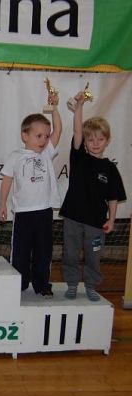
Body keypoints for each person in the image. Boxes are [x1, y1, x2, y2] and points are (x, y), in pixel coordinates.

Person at [60, 92, 126, 301]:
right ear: (85, 142)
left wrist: (111, 220)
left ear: (107, 141)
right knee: (70, 253)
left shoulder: (110, 169)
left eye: (100, 139)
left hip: (96, 223)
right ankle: (72, 284)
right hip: (73, 217)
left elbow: (113, 197)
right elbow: (77, 130)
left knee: (93, 256)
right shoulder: (79, 158)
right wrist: (79, 107)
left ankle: (90, 286)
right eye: (91, 139)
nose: (95, 143)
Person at [0, 92, 62, 298]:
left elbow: (58, 130)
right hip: (23, 213)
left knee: (44, 250)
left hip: (44, 211)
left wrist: (55, 109)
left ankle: (42, 283)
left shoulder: (46, 153)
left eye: (46, 136)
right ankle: (19, 282)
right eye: (38, 136)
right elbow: (7, 180)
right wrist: (2, 204)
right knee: (21, 250)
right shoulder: (16, 156)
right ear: (24, 136)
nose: (44, 140)